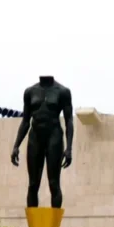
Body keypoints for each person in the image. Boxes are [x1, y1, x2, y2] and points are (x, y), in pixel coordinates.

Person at [10, 76, 73, 208]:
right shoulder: (30, 92)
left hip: (54, 136)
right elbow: (26, 121)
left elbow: (69, 121)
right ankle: (34, 226)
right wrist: (16, 145)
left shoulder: (63, 91)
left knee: (54, 183)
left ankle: (53, 226)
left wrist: (69, 148)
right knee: (33, 184)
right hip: (35, 137)